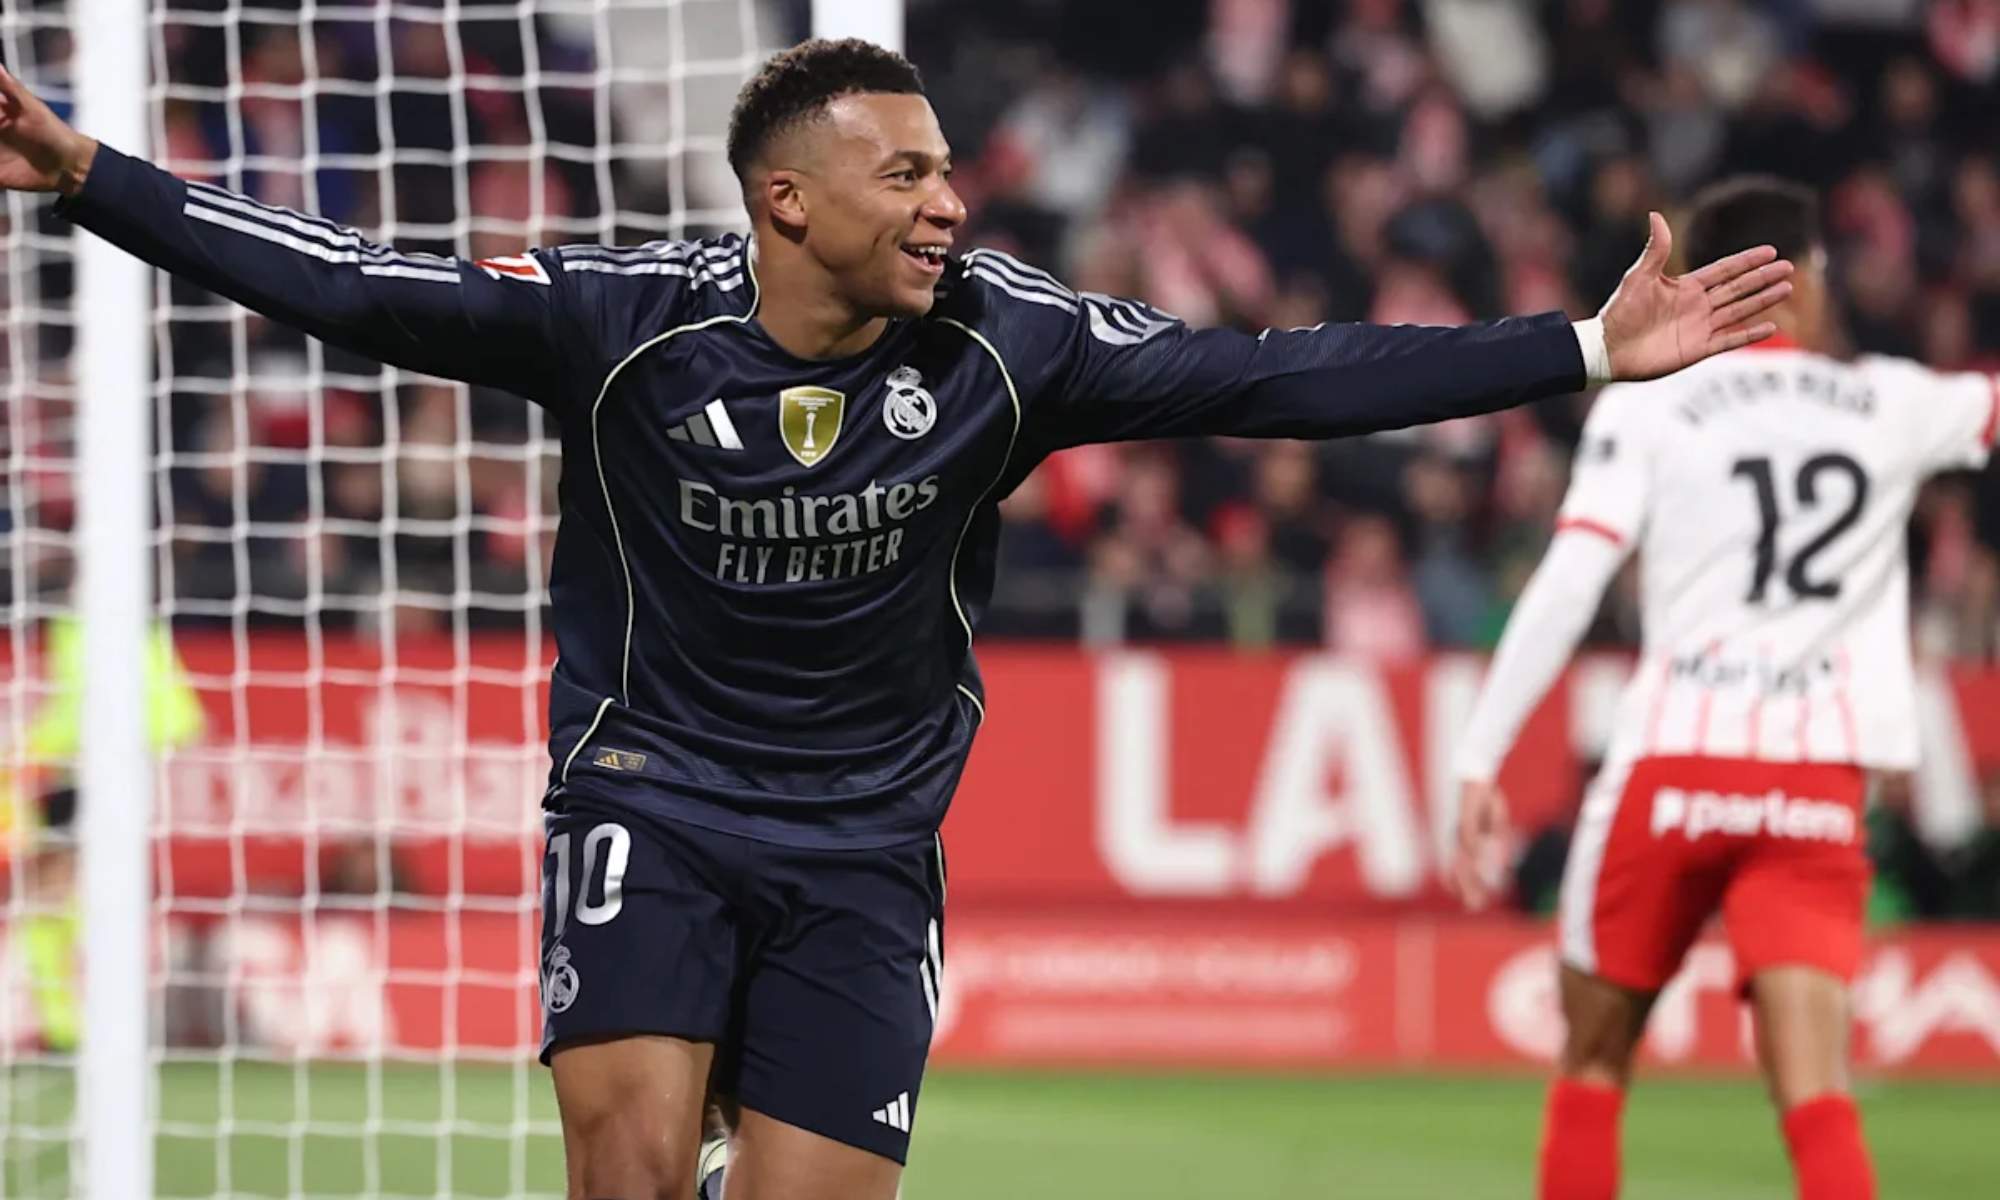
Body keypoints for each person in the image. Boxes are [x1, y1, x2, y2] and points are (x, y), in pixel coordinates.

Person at [0, 39, 1793, 1200]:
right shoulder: (619, 323)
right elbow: (347, 280)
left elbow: (1278, 375)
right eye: (905, 174)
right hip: (655, 797)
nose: (949, 200)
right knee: (620, 1173)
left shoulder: (1012, 345)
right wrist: (95, 177)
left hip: (868, 847)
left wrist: (1573, 347)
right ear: (788, 199)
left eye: (947, 168)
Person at [1450, 176, 1998, 1200]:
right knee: (1814, 1100)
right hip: (1812, 787)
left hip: (1671, 763)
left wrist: (1480, 754)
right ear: (1801, 278)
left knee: (1590, 1069)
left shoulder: (1650, 403)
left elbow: (1569, 579)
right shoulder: (1892, 400)